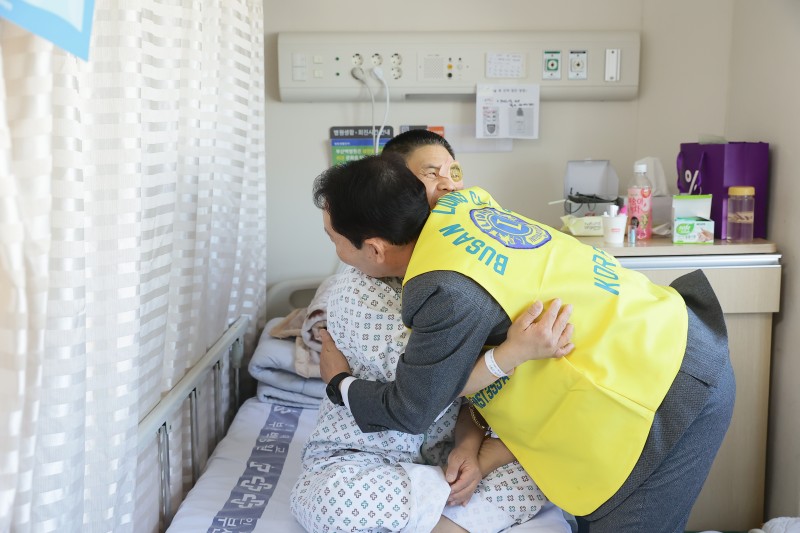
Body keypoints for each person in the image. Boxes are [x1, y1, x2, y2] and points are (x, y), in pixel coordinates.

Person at [314, 154, 736, 533]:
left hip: (667, 387)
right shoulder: (466, 205)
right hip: (664, 333)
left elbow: (412, 408)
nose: (336, 251)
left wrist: (339, 382)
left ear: (375, 249)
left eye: (334, 240)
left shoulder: (443, 289)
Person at [290, 130, 574, 533]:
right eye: (429, 173)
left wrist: (472, 450)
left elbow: (471, 394)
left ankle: (430, 508)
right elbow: (430, 390)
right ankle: (447, 519)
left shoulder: (466, 267)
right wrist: (509, 355)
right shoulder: (359, 289)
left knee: (537, 476)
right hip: (370, 454)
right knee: (331, 500)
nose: (448, 184)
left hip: (443, 449)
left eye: (452, 172)